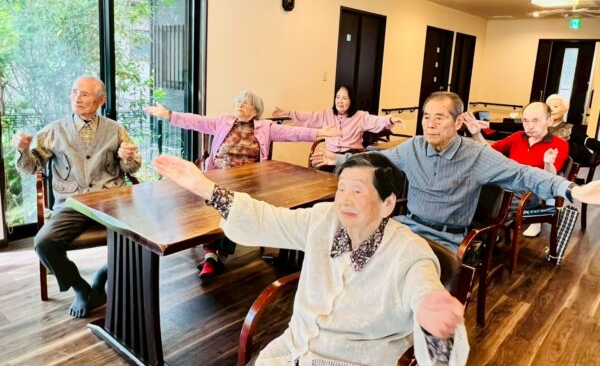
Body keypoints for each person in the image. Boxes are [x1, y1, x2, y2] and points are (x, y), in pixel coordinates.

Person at [154, 153, 469, 366]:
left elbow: (425, 294)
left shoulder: (410, 252)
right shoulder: (323, 219)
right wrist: (205, 188)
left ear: (387, 204)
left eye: (358, 191)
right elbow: (268, 219)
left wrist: (433, 322)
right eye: (341, 189)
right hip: (291, 351)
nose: (344, 200)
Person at [312, 91, 600, 252]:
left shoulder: (476, 155)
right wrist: (339, 159)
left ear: (458, 123)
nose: (429, 123)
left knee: (408, 284)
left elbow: (524, 174)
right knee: (349, 249)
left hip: (447, 240)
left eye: (439, 118)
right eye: (426, 117)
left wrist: (572, 190)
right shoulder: (414, 147)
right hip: (408, 227)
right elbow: (377, 158)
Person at [145, 91, 340, 282]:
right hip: (218, 177)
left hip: (248, 182)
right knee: (214, 205)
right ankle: (212, 255)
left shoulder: (265, 127)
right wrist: (169, 114)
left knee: (233, 206)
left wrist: (319, 132)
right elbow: (197, 121)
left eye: (246, 103)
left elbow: (292, 133)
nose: (240, 105)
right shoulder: (223, 121)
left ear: (255, 110)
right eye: (238, 101)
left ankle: (214, 256)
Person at [13, 76, 141, 318]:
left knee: (143, 237)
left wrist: (128, 158)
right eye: (74, 92)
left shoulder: (116, 129)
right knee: (44, 243)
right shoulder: (54, 130)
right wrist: (23, 150)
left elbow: (133, 168)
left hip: (110, 200)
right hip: (72, 204)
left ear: (101, 101)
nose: (77, 98)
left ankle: (103, 275)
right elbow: (31, 168)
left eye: (84, 94)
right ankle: (79, 287)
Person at [463, 102, 570, 237]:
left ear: (549, 121)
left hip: (530, 192)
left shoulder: (560, 144)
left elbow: (551, 180)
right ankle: (485, 236)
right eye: (525, 121)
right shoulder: (518, 136)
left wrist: (548, 163)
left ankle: (485, 237)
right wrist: (477, 134)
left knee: (484, 203)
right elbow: (490, 153)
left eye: (535, 120)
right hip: (504, 185)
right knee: (469, 193)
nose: (530, 126)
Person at [272, 85, 403, 154]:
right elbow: (309, 117)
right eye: (338, 97)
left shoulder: (360, 116)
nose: (340, 101)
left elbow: (376, 121)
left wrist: (390, 120)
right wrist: (289, 113)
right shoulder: (327, 114)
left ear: (351, 101)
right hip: (330, 153)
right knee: (317, 168)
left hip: (352, 154)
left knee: (341, 170)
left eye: (344, 98)